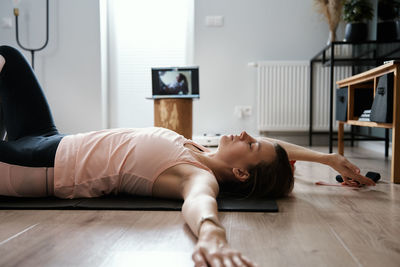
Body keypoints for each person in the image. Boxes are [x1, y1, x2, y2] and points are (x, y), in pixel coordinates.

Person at [0, 45, 375, 267]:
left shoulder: (197, 175)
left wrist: (212, 236)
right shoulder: (199, 147)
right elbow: (274, 153)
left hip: (35, 165)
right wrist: (327, 158)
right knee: (8, 58)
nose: (246, 134)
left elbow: (199, 204)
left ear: (242, 174)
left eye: (251, 145)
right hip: (48, 137)